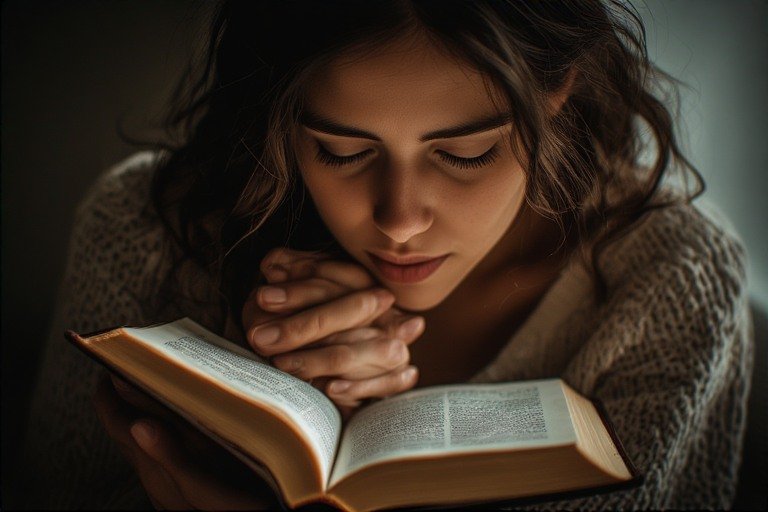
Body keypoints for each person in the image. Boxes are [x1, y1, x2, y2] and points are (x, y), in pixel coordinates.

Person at [17, 0, 752, 509]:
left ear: (556, 90)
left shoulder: (670, 279)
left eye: (465, 154)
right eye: (340, 151)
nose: (400, 221)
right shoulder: (145, 227)